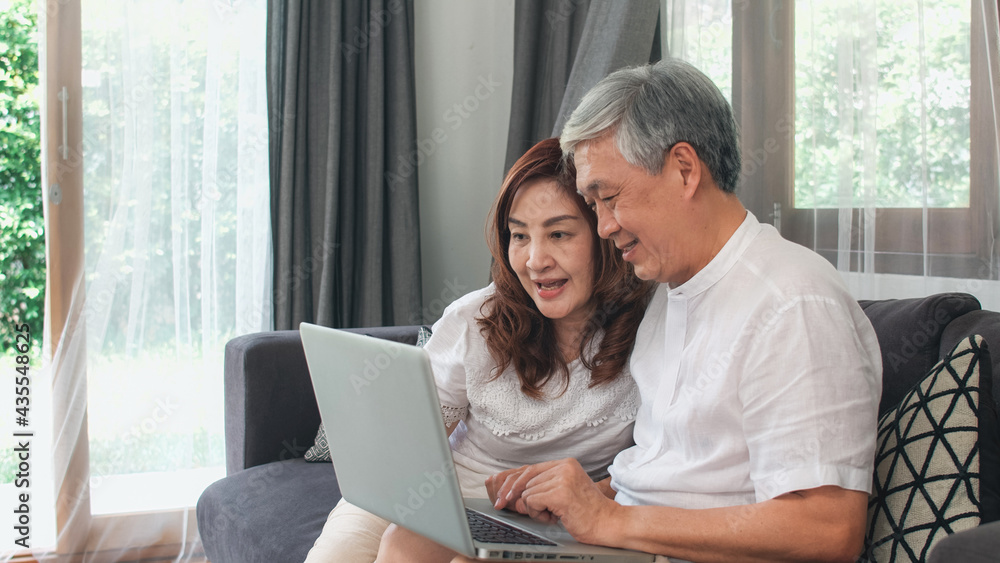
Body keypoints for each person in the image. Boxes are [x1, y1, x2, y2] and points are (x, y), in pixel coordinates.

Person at [382, 60, 883, 563]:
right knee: (411, 541)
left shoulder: (792, 301)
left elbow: (827, 530)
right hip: (629, 541)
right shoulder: (667, 292)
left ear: (685, 170)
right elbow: (668, 478)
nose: (601, 227)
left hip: (661, 550)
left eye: (608, 198)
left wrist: (612, 519)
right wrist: (579, 497)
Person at [303, 137, 654, 563]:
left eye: (559, 233)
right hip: (439, 498)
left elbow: (661, 463)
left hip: (551, 520)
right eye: (519, 236)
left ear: (602, 234)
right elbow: (407, 456)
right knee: (373, 548)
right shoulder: (475, 320)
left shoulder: (653, 327)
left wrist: (589, 494)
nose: (535, 260)